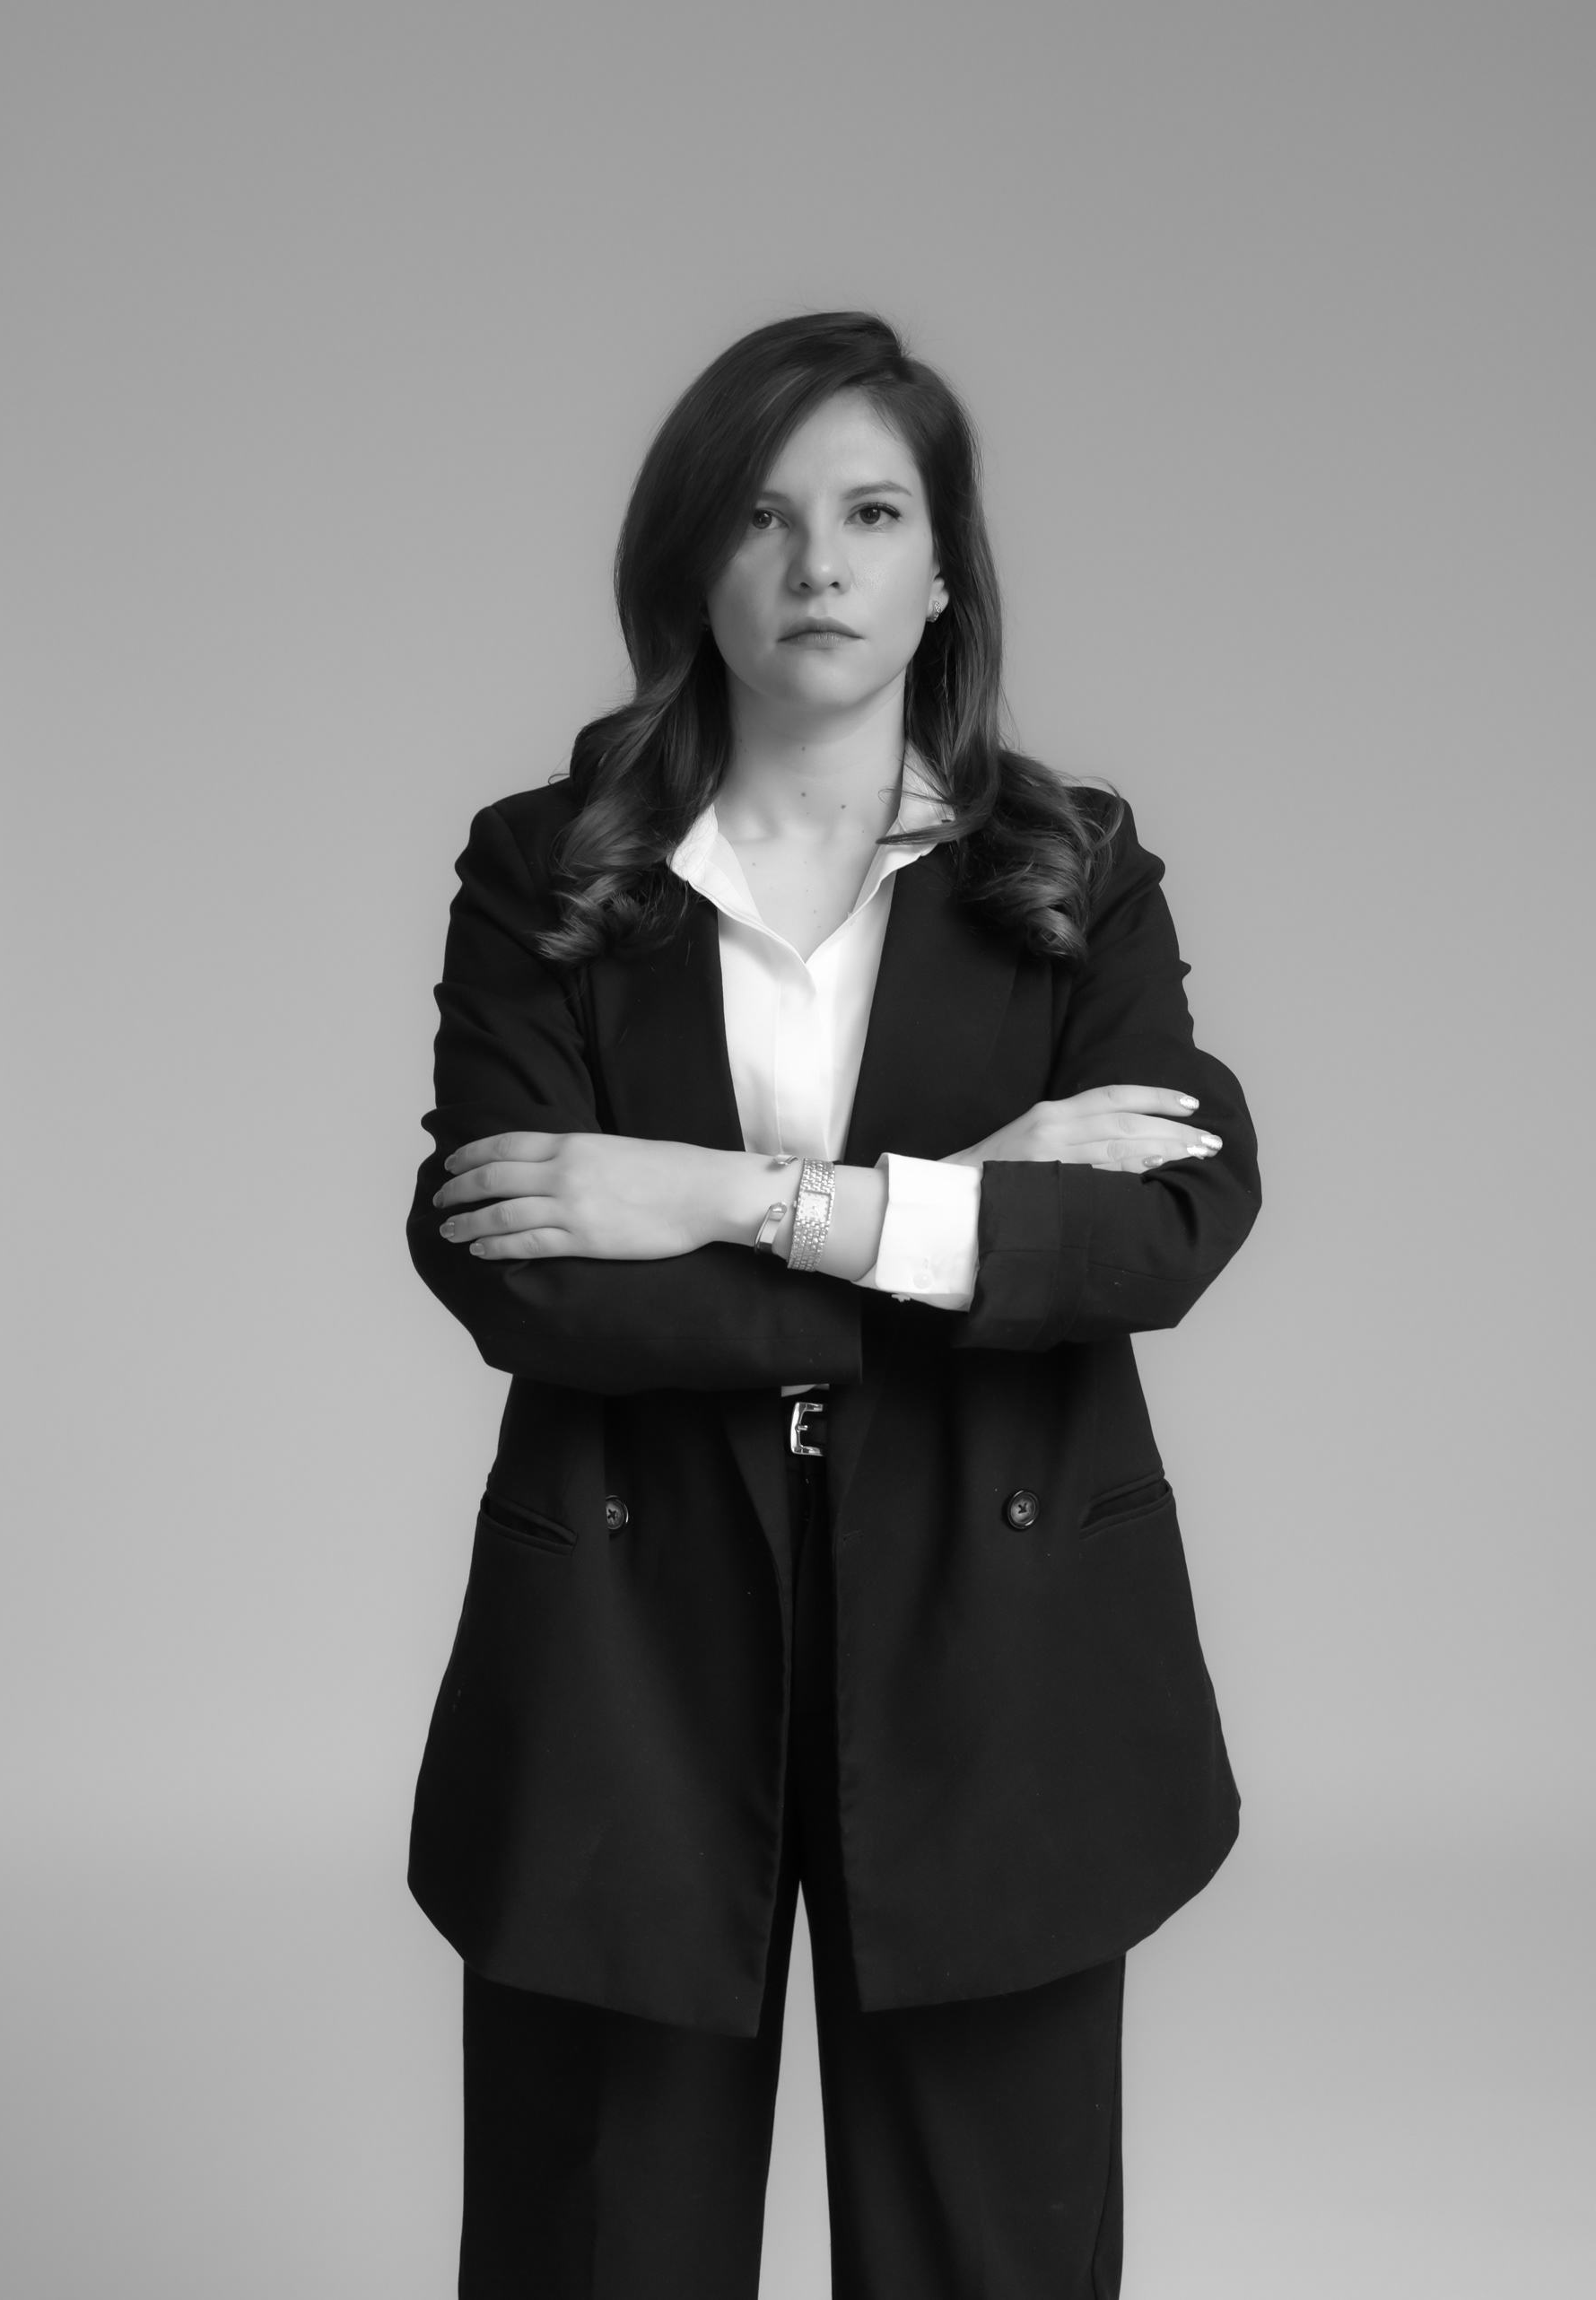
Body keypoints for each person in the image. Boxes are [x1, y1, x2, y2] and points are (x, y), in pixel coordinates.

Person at [406, 310, 1260, 2300]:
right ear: (688, 560)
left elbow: (1163, 1229)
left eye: (873, 514)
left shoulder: (1076, 868)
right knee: (596, 2258)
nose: (818, 565)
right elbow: (519, 1271)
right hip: (626, 1639)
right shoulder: (543, 870)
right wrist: (963, 1219)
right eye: (763, 516)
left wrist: (732, 1198)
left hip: (1000, 1637)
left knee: (990, 2264)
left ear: (944, 567)